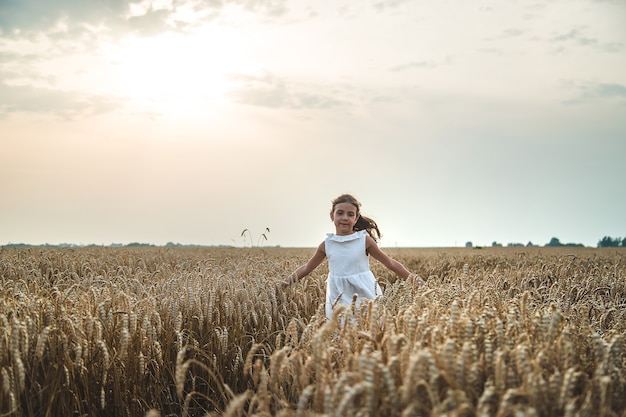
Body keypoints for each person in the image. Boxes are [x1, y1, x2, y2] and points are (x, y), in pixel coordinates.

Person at [282, 193, 424, 319]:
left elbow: (390, 263)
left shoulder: (364, 240)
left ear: (356, 219)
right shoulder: (327, 244)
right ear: (332, 215)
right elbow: (307, 268)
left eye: (350, 214)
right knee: (340, 336)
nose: (345, 218)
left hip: (365, 293)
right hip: (338, 297)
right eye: (340, 213)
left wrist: (414, 279)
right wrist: (284, 284)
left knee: (370, 329)